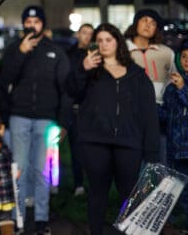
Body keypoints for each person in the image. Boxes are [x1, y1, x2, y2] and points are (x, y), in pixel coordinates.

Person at [66, 23, 158, 235]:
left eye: (108, 39)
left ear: (118, 42)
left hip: (128, 143)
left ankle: (125, 232)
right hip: (95, 143)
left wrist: (151, 150)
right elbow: (71, 91)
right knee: (98, 193)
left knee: (129, 194)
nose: (104, 44)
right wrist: (83, 69)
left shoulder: (136, 74)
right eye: (99, 40)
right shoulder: (90, 71)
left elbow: (148, 113)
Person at [0, 5, 71, 235]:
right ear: (23, 24)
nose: (32, 26)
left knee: (42, 172)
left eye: (36, 22)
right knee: (18, 170)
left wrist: (63, 121)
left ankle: (41, 220)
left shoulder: (55, 51)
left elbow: (65, 89)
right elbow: (4, 79)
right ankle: (18, 219)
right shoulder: (13, 49)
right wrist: (21, 52)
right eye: (28, 22)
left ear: (43, 24)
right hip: (19, 116)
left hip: (46, 119)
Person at [124, 8, 175, 162]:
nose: (148, 25)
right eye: (144, 20)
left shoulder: (167, 53)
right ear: (135, 24)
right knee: (132, 161)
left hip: (158, 113)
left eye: (153, 23)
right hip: (130, 112)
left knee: (158, 161)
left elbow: (173, 81)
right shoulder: (122, 51)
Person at [160, 41, 188, 233]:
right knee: (187, 195)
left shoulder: (181, 85)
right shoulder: (171, 87)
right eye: (184, 56)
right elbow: (165, 115)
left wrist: (183, 87)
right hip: (179, 150)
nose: (187, 60)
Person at [65, 23, 94, 197]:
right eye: (85, 33)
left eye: (91, 33)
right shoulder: (69, 55)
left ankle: (93, 183)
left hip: (91, 107)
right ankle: (78, 184)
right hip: (74, 106)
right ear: (78, 34)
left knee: (91, 148)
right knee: (76, 147)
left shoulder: (97, 54)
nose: (88, 36)